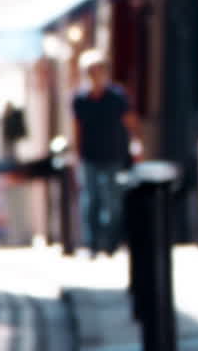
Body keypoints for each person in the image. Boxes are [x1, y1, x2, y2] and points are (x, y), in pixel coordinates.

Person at [72, 49, 133, 257]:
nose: (96, 75)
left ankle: (110, 242)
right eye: (91, 71)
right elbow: (77, 128)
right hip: (89, 156)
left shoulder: (117, 97)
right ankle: (92, 244)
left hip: (113, 155)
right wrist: (76, 154)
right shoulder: (80, 99)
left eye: (99, 71)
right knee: (91, 200)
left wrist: (135, 145)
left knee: (113, 202)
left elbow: (130, 123)